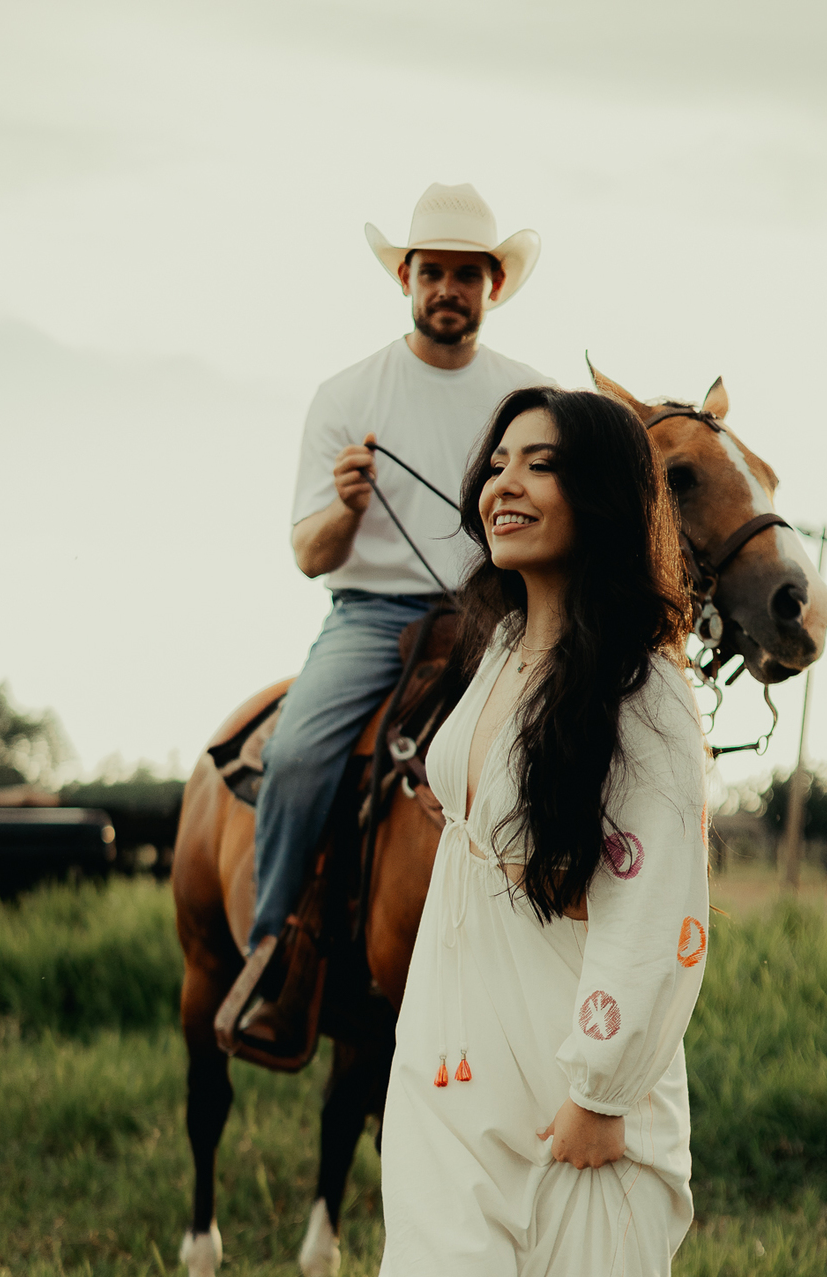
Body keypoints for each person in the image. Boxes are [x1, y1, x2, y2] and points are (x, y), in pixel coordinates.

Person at [330, 386, 711, 1277]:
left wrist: (601, 1083)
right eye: (497, 461)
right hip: (450, 1066)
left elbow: (660, 901)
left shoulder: (646, 690)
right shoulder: (494, 648)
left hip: (579, 1088)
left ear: (597, 495)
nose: (504, 482)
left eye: (539, 464)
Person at [234, 182, 551, 1048]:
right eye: (432, 272)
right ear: (405, 277)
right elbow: (310, 554)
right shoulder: (348, 394)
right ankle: (273, 956)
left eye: (467, 274)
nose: (448, 288)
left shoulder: (532, 398)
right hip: (373, 617)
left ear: (493, 286)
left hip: (500, 614)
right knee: (298, 752)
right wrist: (344, 507)